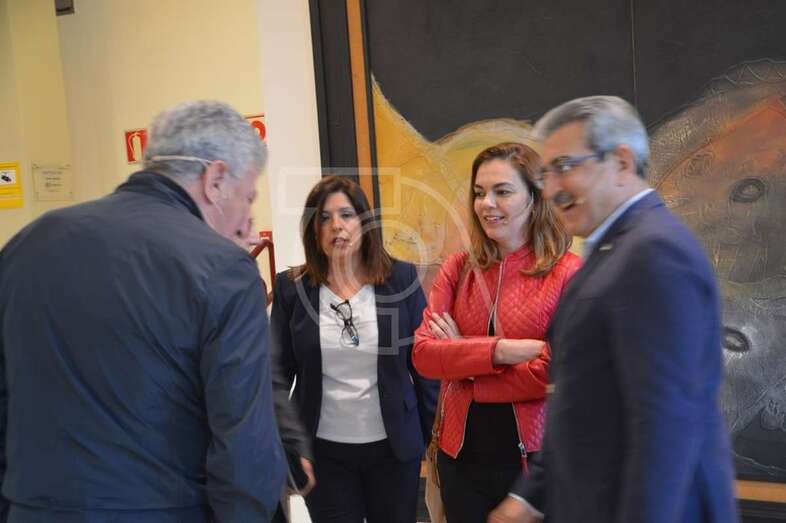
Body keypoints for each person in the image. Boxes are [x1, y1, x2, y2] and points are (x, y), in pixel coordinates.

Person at [0, 100, 286, 522]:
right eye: (247, 197)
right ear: (216, 179)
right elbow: (244, 447)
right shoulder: (222, 269)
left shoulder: (29, 243)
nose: (246, 219)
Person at [489, 96, 738, 523]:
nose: (552, 188)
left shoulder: (654, 253)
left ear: (622, 162)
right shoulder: (616, 248)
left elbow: (664, 425)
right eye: (546, 173)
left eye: (566, 167)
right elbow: (580, 398)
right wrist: (531, 497)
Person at [411, 142, 581, 523]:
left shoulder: (567, 272)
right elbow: (423, 354)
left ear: (534, 198)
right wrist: (502, 351)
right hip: (460, 462)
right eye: (478, 193)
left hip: (533, 467)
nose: (486, 203)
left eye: (502, 191)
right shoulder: (458, 268)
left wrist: (464, 365)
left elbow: (556, 371)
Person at [269, 176, 439, 523]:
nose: (337, 226)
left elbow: (423, 364)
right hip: (322, 453)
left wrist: (430, 436)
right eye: (325, 218)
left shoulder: (400, 279)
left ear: (364, 221)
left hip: (393, 450)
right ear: (313, 229)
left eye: (346, 215)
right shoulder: (291, 288)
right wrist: (286, 445)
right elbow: (277, 376)